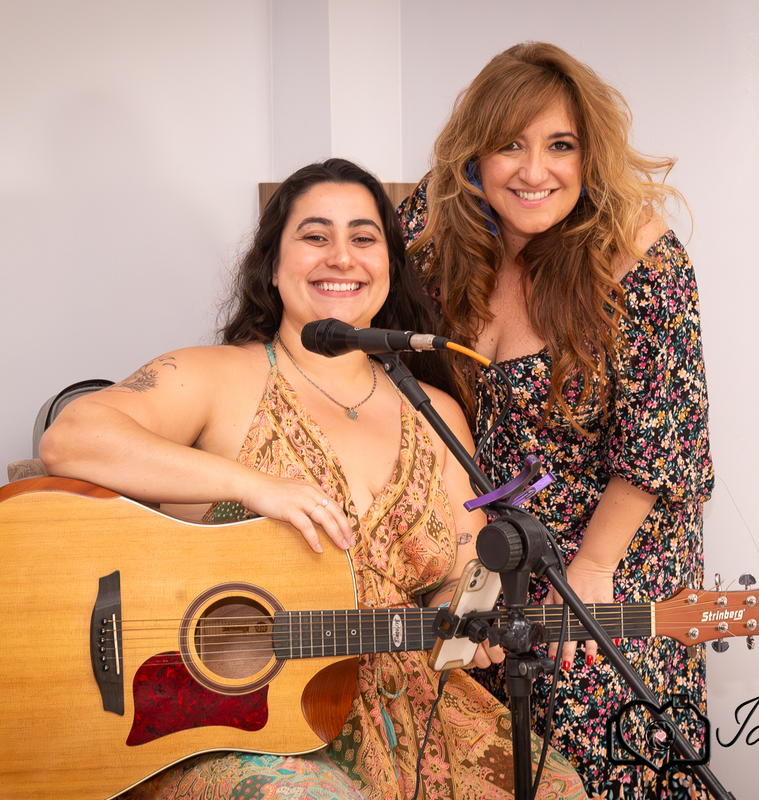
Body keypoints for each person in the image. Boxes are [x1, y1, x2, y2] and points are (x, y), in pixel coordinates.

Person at [39, 158, 585, 800]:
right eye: (315, 235)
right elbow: (71, 438)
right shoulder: (215, 376)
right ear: (273, 265)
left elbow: (458, 579)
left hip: (415, 714)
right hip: (232, 721)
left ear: (389, 265)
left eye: (363, 237)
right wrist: (255, 486)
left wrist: (474, 615)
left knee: (556, 787)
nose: (341, 256)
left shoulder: (435, 412)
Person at [397, 43, 714, 799]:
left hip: (611, 551)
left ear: (589, 155)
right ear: (473, 154)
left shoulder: (638, 258)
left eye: (560, 145)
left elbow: (664, 442)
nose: (534, 170)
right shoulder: (430, 233)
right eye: (510, 144)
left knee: (589, 745)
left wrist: (591, 571)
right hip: (482, 552)